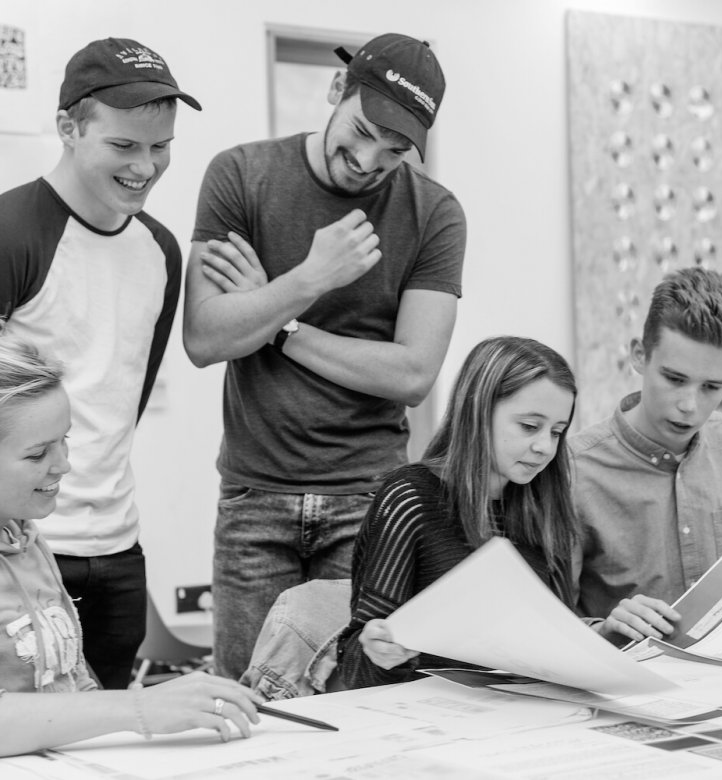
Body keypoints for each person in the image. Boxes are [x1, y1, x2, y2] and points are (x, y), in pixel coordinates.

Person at [183, 32, 467, 680]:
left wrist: (279, 320)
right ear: (336, 90)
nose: (368, 160)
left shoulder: (435, 214)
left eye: (393, 150)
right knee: (243, 715)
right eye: (362, 131)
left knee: (361, 711)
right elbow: (205, 337)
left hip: (368, 501)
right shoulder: (241, 175)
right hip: (255, 498)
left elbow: (413, 374)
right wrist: (310, 278)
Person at [0, 38, 201, 688]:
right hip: (24, 547)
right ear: (68, 128)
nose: (146, 166)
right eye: (124, 146)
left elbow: (126, 400)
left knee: (110, 737)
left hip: (118, 550)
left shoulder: (162, 251)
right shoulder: (12, 233)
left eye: (160, 146)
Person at [0, 335, 263, 757]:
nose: (64, 463)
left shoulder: (26, 537)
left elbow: (72, 676)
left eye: (64, 439)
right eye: (36, 454)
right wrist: (138, 707)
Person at [336, 336, 579, 689]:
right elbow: (355, 670)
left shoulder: (544, 505)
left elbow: (561, 644)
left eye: (557, 432)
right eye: (529, 426)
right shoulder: (410, 498)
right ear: (478, 412)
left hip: (522, 713)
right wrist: (379, 653)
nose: (544, 447)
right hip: (425, 720)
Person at [570, 267, 722, 645]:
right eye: (674, 378)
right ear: (639, 356)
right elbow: (546, 628)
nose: (689, 406)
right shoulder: (575, 470)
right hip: (623, 691)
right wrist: (602, 630)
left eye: (712, 387)